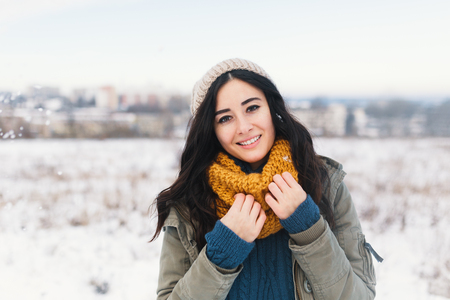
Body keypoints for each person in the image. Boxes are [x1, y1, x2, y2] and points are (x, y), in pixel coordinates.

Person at [151, 58, 379, 300]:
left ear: (271, 108)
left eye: (252, 108)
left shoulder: (324, 182)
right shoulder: (190, 203)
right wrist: (222, 253)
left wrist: (309, 228)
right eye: (225, 118)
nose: (244, 127)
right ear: (210, 129)